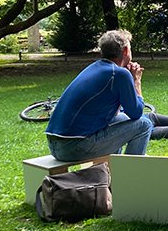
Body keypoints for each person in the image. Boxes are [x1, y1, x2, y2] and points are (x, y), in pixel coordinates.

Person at [45, 30, 152, 161]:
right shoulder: (118, 74)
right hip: (73, 147)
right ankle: (129, 176)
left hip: (55, 144)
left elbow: (114, 113)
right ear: (125, 51)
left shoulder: (94, 67)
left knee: (122, 119)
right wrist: (136, 82)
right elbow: (136, 113)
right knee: (144, 124)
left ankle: (110, 174)